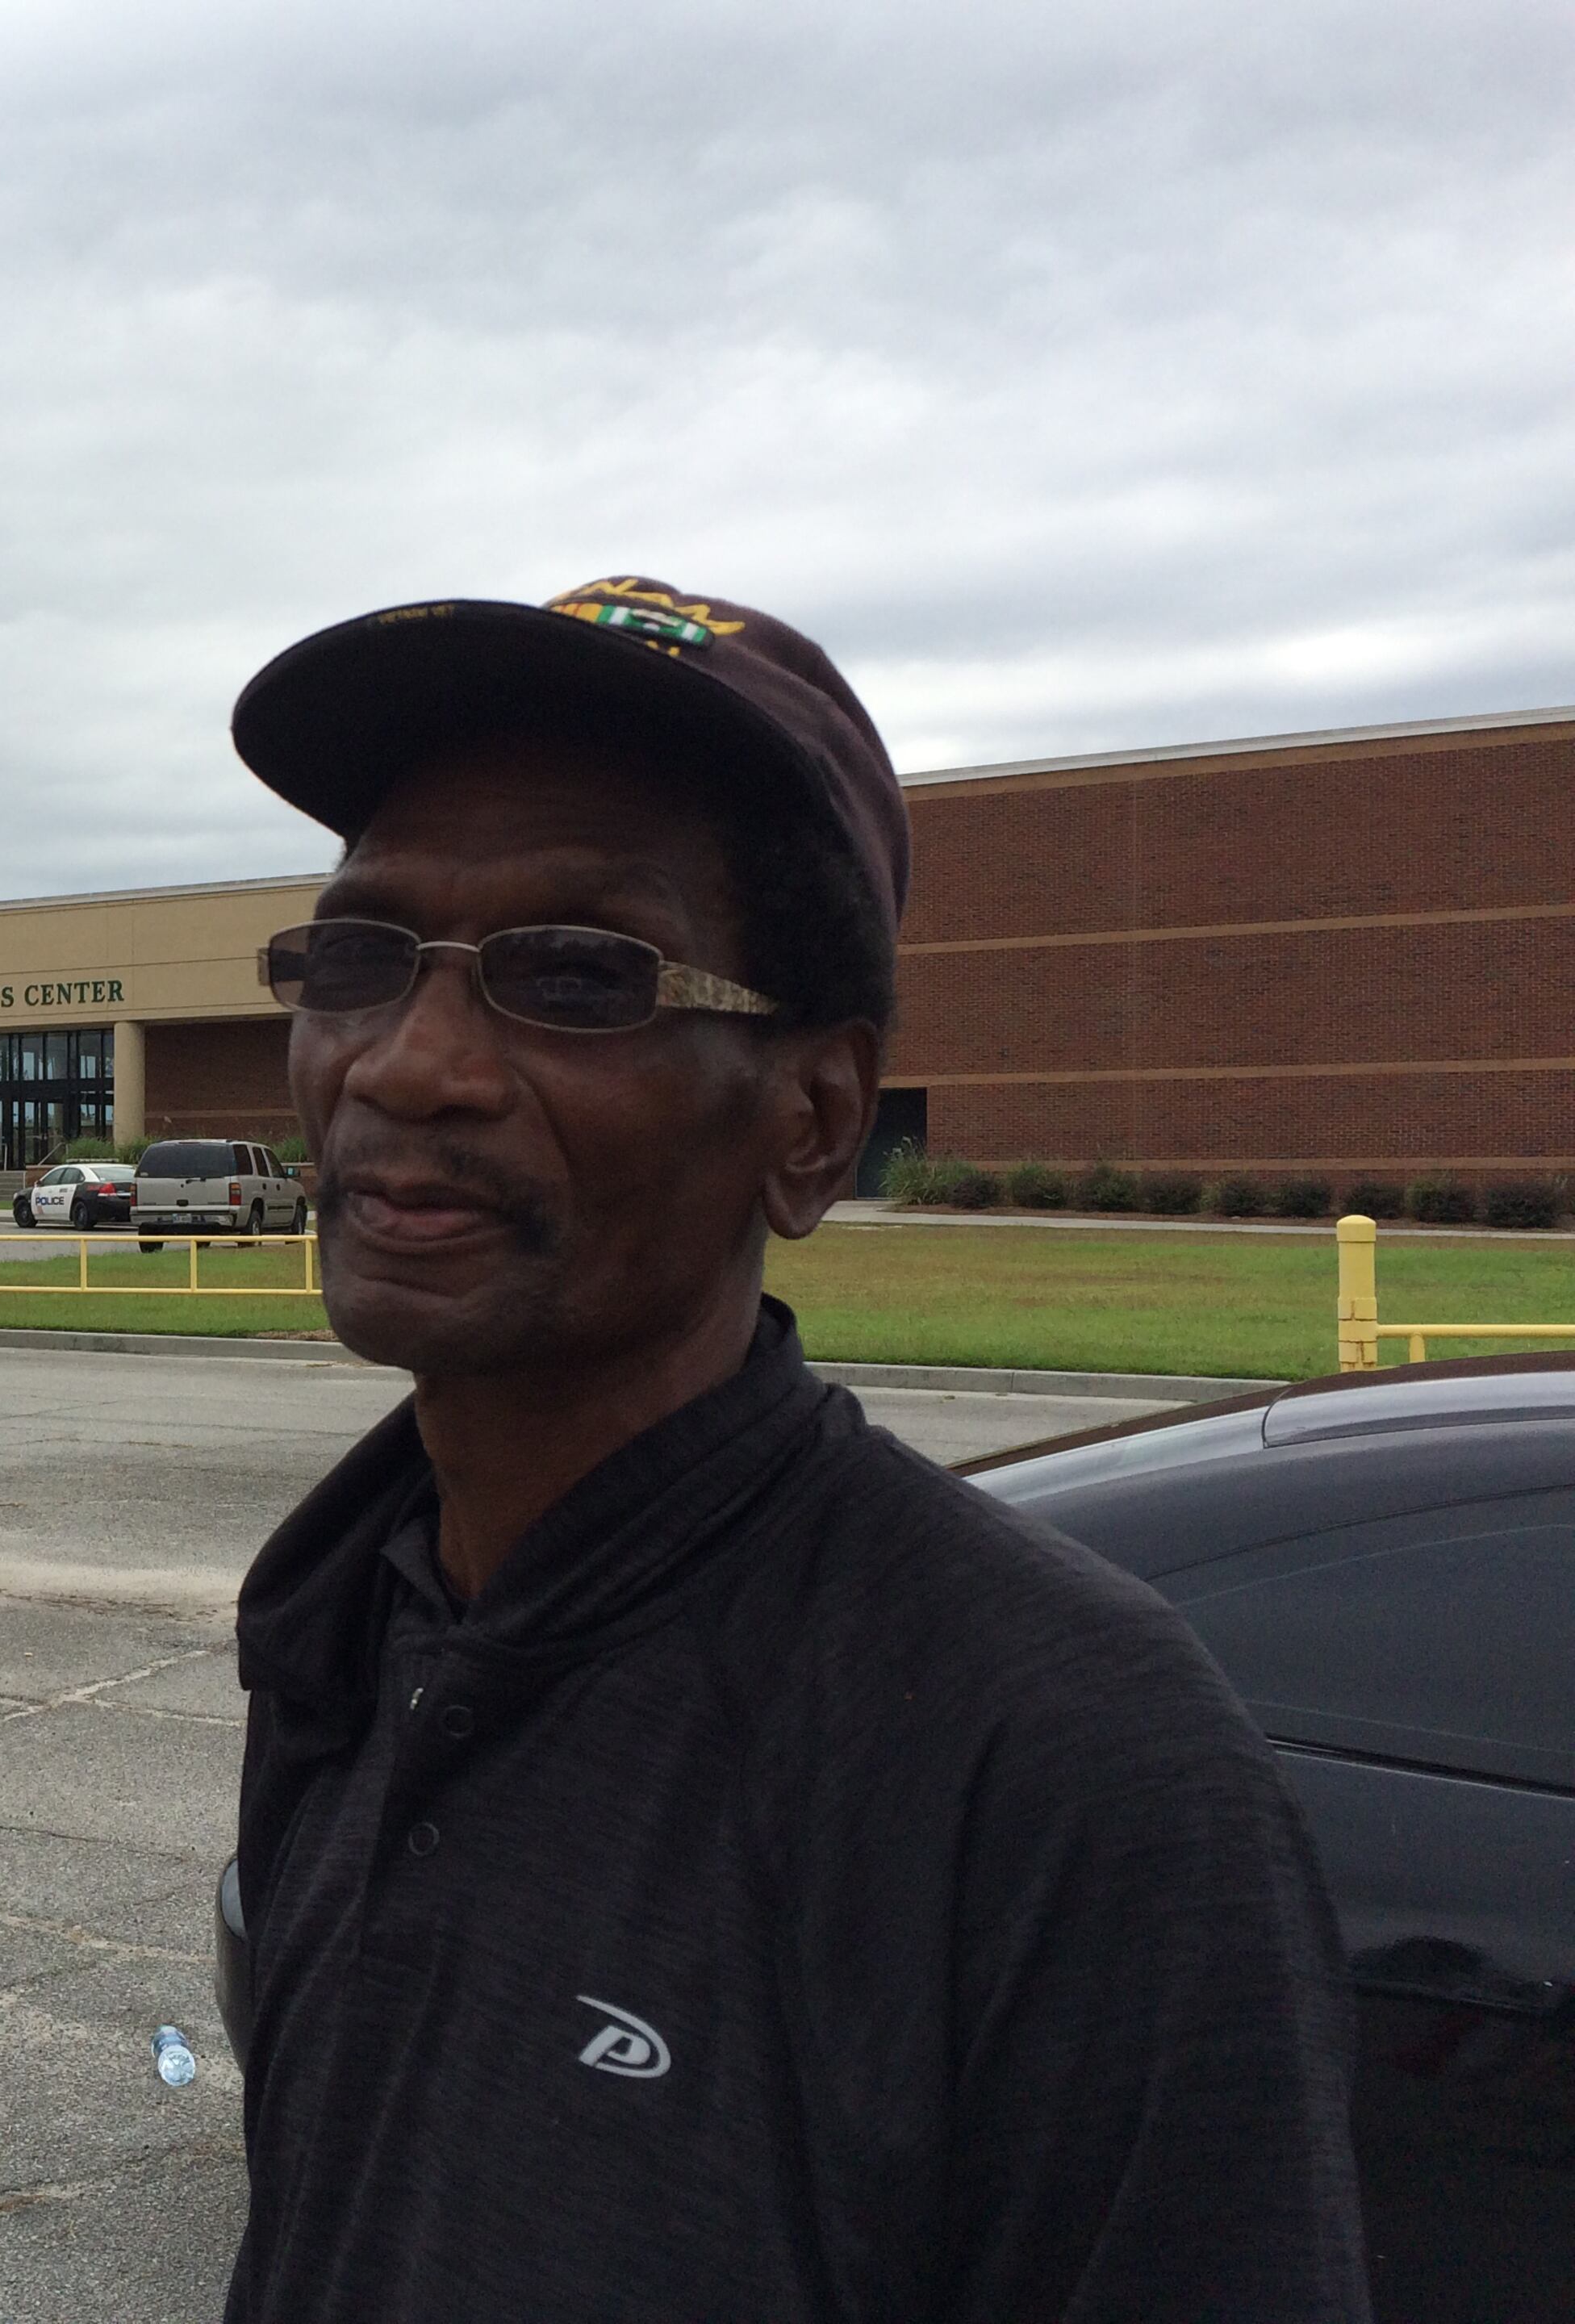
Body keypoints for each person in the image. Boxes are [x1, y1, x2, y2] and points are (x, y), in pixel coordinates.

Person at [217, 579, 1368, 2322]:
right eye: (361, 956)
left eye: (577, 975)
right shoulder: (349, 1622)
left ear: (815, 1123)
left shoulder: (1068, 1773)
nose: (409, 1065)